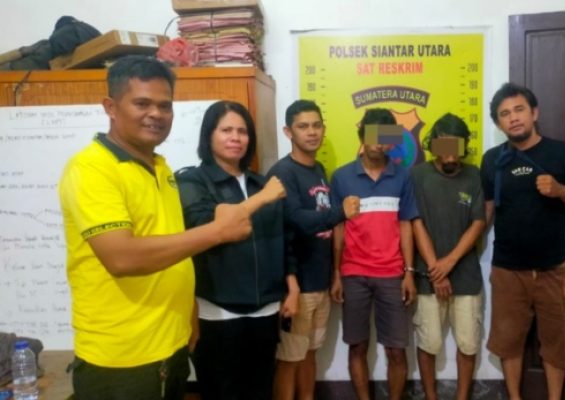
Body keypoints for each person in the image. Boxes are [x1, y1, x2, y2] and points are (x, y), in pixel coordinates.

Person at [58, 55, 276, 400]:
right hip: (122, 360)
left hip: (172, 344)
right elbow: (122, 257)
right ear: (111, 107)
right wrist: (218, 231)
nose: (156, 114)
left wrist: (189, 313)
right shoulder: (91, 168)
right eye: (142, 103)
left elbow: (176, 249)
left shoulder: (161, 168)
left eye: (165, 105)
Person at [176, 100, 296, 400]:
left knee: (260, 391)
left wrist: (291, 287)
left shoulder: (260, 183)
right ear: (209, 135)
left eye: (242, 131)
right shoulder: (192, 181)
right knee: (222, 393)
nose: (236, 137)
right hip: (217, 312)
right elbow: (204, 226)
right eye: (226, 130)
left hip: (266, 310)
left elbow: (284, 237)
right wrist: (263, 198)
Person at [480, 83, 565, 400]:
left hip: (556, 268)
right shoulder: (492, 159)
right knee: (508, 342)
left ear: (534, 112)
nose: (513, 118)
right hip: (508, 269)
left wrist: (561, 190)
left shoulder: (563, 153)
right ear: (498, 123)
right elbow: (487, 210)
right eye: (504, 114)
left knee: (557, 344)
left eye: (519, 109)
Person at [268, 100, 360, 400]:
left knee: (309, 353)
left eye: (316, 125)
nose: (311, 132)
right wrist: (341, 212)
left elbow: (326, 228)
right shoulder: (282, 173)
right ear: (288, 132)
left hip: (320, 281)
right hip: (297, 284)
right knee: (288, 359)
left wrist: (335, 274)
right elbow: (296, 220)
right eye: (303, 126)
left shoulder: (319, 169)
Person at [329, 108, 419, 400]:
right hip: (353, 273)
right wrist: (336, 274)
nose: (379, 143)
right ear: (362, 135)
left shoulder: (402, 177)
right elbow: (338, 228)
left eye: (386, 137)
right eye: (373, 135)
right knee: (357, 346)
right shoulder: (341, 177)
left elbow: (406, 224)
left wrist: (409, 272)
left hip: (392, 274)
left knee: (396, 349)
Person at [411, 113, 485, 400]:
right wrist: (436, 270)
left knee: (468, 343)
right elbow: (415, 222)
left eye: (457, 143)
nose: (451, 151)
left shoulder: (474, 175)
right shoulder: (418, 175)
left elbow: (478, 223)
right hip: (427, 277)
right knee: (428, 342)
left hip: (466, 277)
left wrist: (449, 263)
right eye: (444, 143)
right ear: (433, 144)